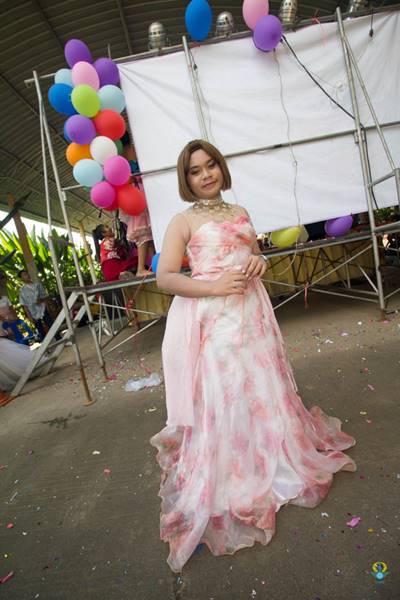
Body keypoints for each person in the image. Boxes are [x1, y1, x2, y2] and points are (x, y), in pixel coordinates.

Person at [150, 140, 356, 573]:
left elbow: (253, 255)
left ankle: (274, 454)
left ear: (221, 168)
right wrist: (212, 287)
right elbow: (165, 277)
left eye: (210, 166)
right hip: (216, 318)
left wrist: (259, 263)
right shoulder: (182, 221)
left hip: (253, 311)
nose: (206, 175)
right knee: (226, 390)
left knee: (263, 384)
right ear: (186, 180)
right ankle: (236, 468)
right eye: (195, 171)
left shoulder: (240, 211)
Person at [121, 136, 155, 277]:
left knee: (147, 234)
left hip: (134, 194)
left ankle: (151, 266)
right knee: (144, 233)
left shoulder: (119, 155)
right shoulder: (134, 150)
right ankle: (142, 268)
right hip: (139, 192)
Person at [18, 270, 58, 342]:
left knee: (50, 323)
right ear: (21, 279)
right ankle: (47, 345)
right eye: (24, 275)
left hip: (43, 308)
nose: (27, 275)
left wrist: (42, 301)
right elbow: (24, 305)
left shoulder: (37, 285)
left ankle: (58, 338)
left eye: (27, 273)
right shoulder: (22, 291)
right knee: (40, 329)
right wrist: (29, 316)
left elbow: (45, 297)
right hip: (33, 312)